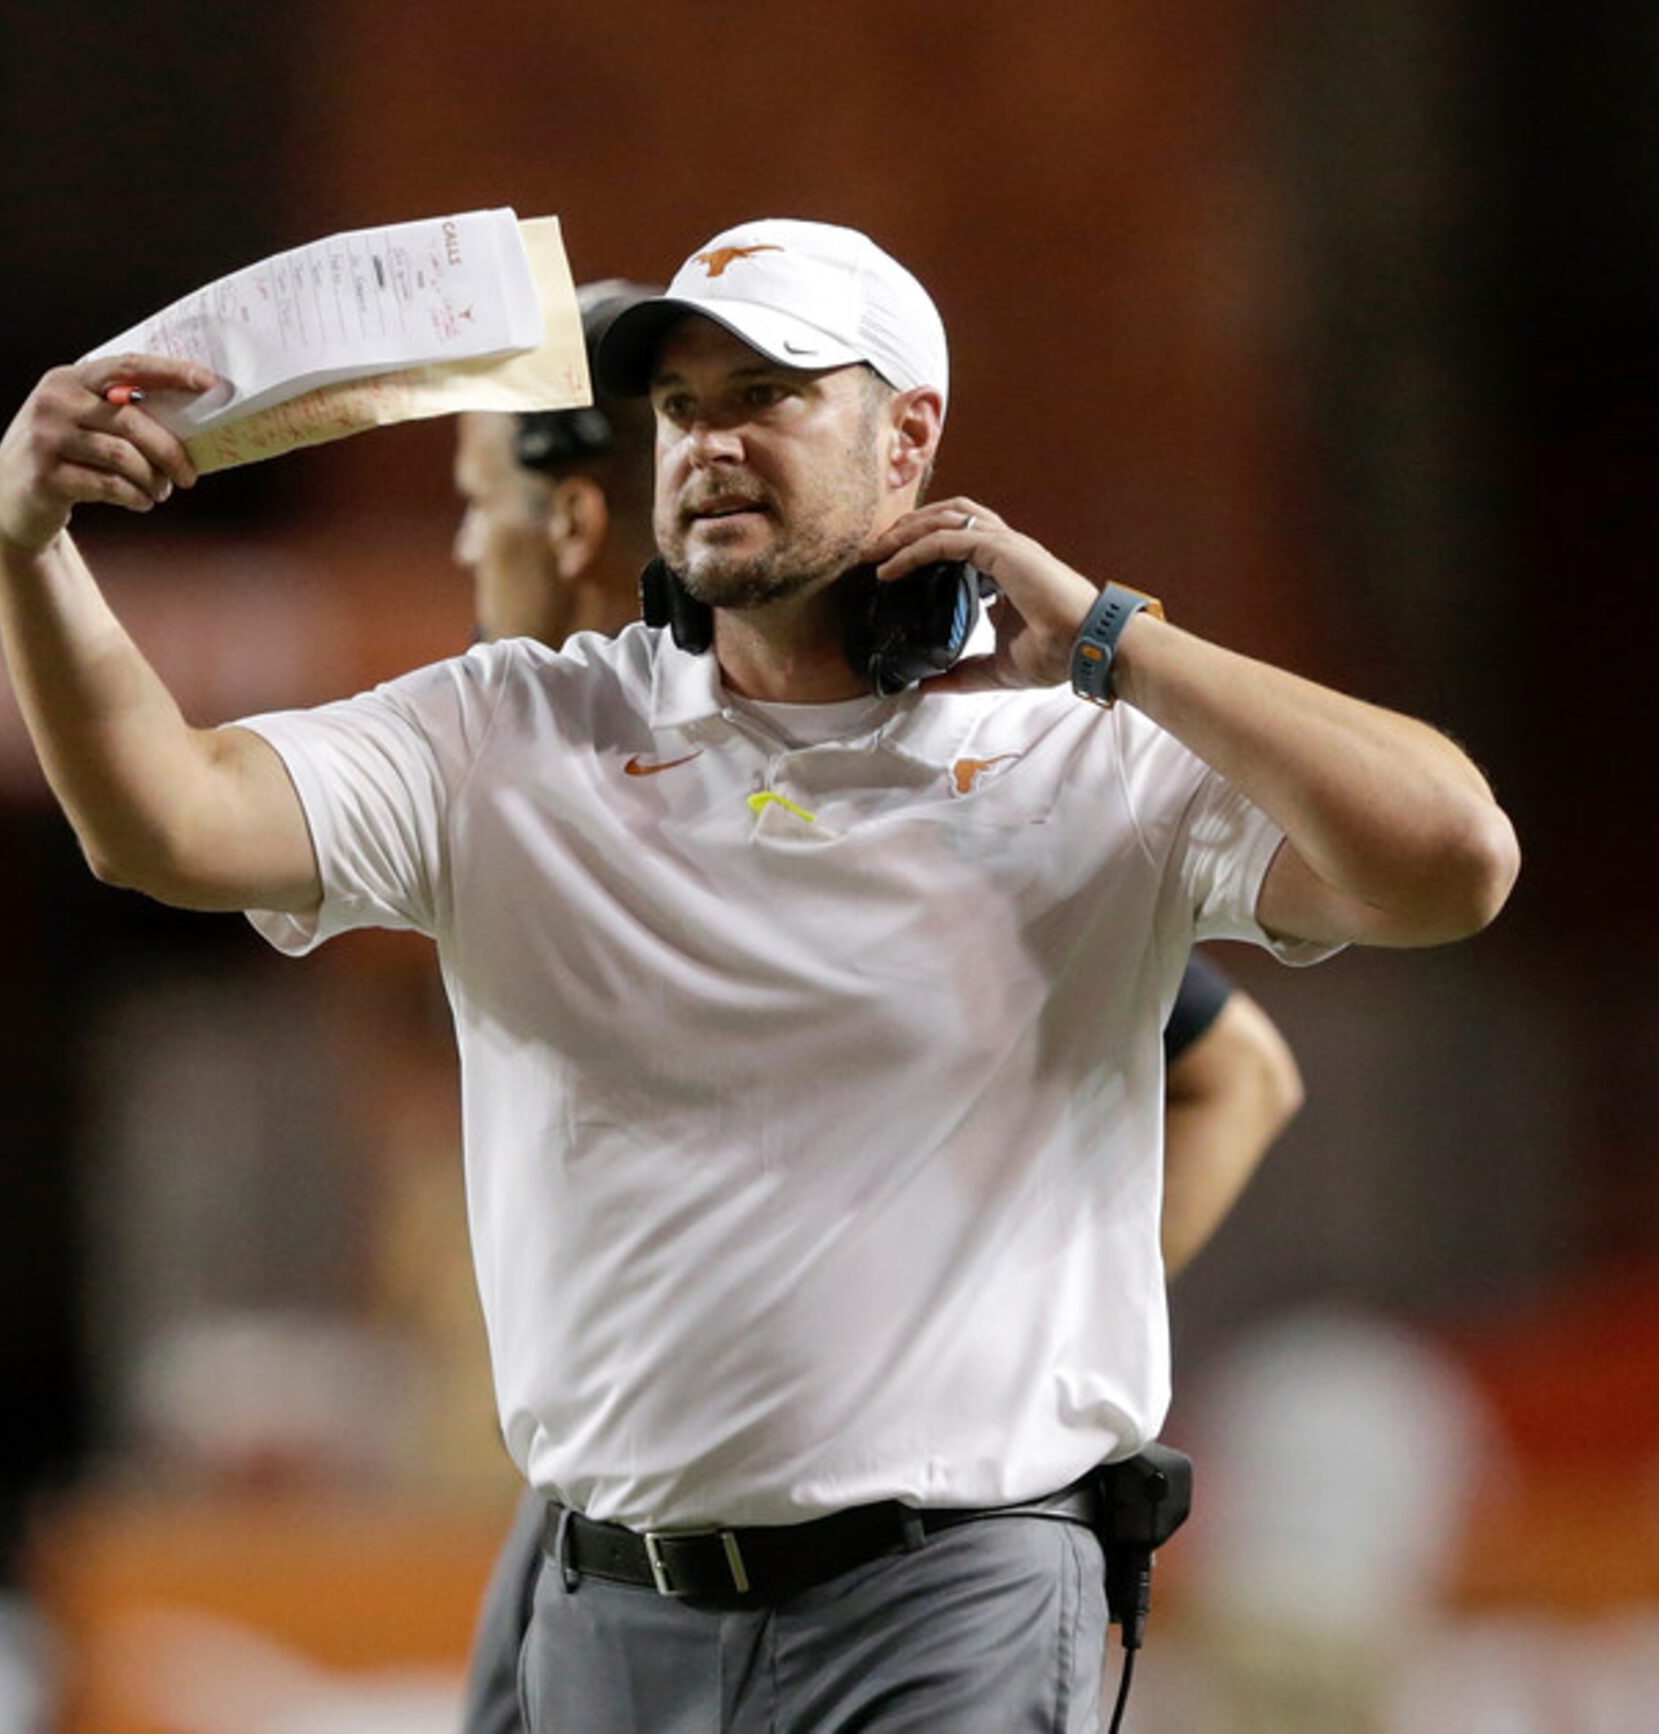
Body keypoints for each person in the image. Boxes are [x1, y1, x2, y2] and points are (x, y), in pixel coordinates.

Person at [0, 217, 1518, 1730]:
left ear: (908, 437)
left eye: (769, 393)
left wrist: (1116, 639)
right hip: (609, 1606)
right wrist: (25, 545)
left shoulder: (1085, 762)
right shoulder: (513, 731)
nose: (710, 441)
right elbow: (167, 823)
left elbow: (1454, 859)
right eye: (680, 409)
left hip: (950, 1595)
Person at [442, 281, 1306, 1734]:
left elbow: (1243, 1068)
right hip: (621, 1518)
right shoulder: (523, 785)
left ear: (579, 521)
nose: (467, 547)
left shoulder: (889, 802)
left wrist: (958, 1347)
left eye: (478, 505)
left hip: (871, 1570)